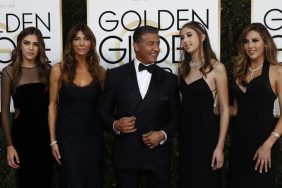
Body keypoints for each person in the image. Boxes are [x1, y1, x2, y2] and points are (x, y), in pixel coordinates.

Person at [98, 25, 180, 188]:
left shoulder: (169, 79)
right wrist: (116, 125)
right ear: (136, 46)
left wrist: (162, 135)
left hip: (157, 157)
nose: (156, 48)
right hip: (126, 154)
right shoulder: (115, 76)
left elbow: (176, 116)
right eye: (151, 43)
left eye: (158, 43)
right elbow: (102, 111)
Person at [48, 23, 105, 188]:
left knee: (92, 179)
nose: (81, 43)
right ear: (70, 43)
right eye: (77, 39)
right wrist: (53, 141)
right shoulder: (59, 70)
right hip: (68, 137)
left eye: (86, 39)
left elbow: (107, 105)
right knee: (72, 179)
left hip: (93, 136)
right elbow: (52, 105)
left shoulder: (100, 72)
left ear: (91, 43)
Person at [228, 23, 282, 188]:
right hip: (239, 144)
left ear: (265, 42)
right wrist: (207, 107)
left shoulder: (277, 71)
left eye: (255, 40)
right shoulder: (239, 71)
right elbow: (236, 109)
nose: (250, 46)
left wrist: (268, 145)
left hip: (263, 144)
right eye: (246, 42)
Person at [178, 21, 229, 188]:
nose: (185, 40)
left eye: (189, 35)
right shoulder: (183, 67)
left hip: (207, 136)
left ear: (202, 37)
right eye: (182, 37)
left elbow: (224, 109)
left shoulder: (217, 68)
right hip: (186, 135)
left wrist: (219, 147)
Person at [1, 27, 52, 187]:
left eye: (35, 44)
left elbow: (54, 106)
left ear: (40, 47)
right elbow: (4, 111)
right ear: (20, 45)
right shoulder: (9, 72)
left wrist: (54, 139)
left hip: (45, 136)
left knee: (45, 181)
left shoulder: (48, 71)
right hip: (22, 136)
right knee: (26, 182)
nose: (31, 48)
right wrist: (10, 146)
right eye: (27, 43)